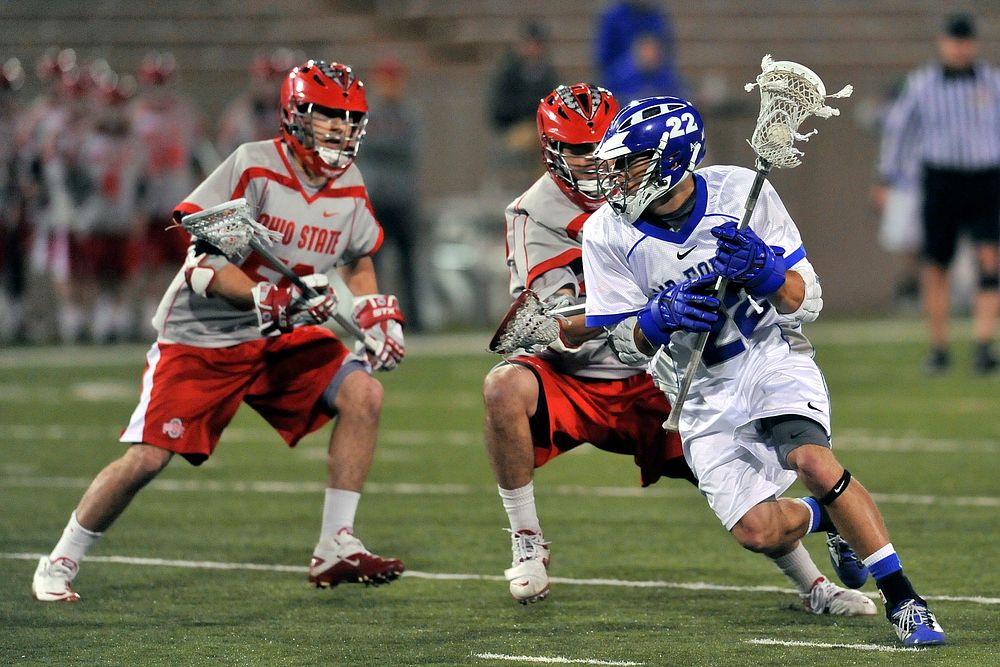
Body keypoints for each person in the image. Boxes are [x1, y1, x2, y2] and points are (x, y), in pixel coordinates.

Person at [485, 84, 875, 619]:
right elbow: (561, 323)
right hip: (592, 366)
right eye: (581, 149)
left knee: (736, 492)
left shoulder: (670, 186)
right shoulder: (537, 213)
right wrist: (638, 313)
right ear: (553, 153)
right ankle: (527, 540)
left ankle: (813, 581)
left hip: (664, 362)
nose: (600, 160)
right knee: (503, 385)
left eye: (607, 144)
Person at [31, 59, 407, 602]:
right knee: (148, 457)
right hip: (205, 336)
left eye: (349, 120)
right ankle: (61, 558)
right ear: (296, 116)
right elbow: (202, 267)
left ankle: (335, 545)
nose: (340, 131)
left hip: (279, 334)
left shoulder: (347, 182)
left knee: (363, 392)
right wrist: (262, 294)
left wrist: (373, 312)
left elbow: (359, 256)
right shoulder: (253, 165)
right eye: (328, 117)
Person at [582, 96, 946, 647]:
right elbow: (623, 348)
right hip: (697, 388)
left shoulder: (739, 193)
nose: (617, 178)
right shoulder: (606, 232)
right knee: (758, 532)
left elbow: (807, 301)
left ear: (670, 160)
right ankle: (829, 520)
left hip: (768, 354)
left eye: (629, 163)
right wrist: (657, 321)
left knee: (813, 462)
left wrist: (767, 273)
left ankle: (905, 599)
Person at [877, 12, 1000, 374]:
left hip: (985, 178)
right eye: (954, 42)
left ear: (973, 45)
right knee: (936, 267)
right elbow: (899, 131)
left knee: (990, 260)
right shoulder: (923, 84)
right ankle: (939, 346)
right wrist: (886, 178)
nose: (960, 50)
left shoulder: (992, 82)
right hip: (941, 180)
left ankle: (983, 344)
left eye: (965, 42)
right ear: (943, 44)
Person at [358, 58, 424, 331]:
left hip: (402, 198)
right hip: (376, 200)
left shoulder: (409, 113)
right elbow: (361, 147)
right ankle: (376, 318)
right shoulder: (366, 113)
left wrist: (380, 147)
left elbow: (410, 151)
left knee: (408, 264)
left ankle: (415, 321)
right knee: (374, 267)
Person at [487, 20, 560, 161]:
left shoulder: (548, 74)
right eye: (530, 43)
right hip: (514, 128)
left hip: (542, 130)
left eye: (537, 44)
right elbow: (499, 109)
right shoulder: (508, 73)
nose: (533, 48)